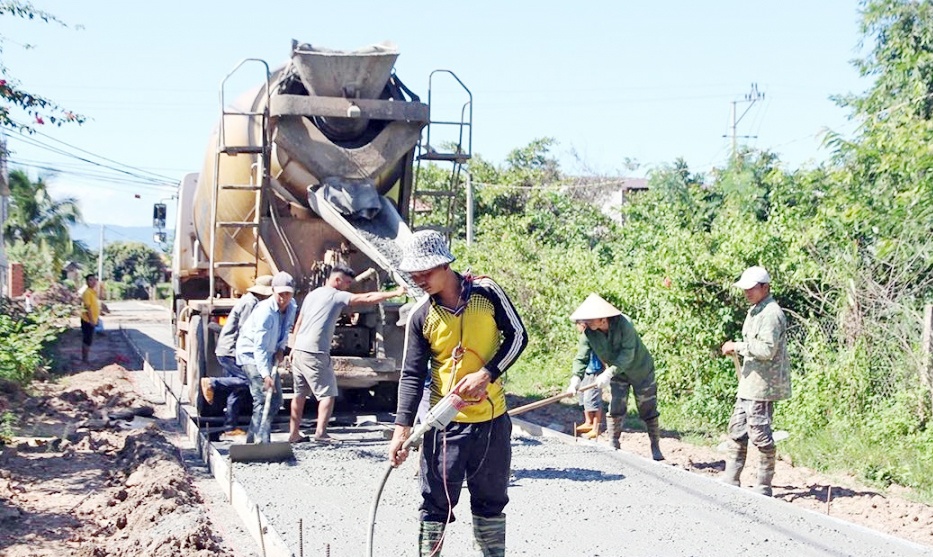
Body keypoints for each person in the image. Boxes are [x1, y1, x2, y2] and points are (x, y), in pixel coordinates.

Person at [388, 230, 528, 557]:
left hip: (492, 422)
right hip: (443, 426)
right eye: (414, 274)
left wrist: (487, 374)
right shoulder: (421, 315)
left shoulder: (487, 293)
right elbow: (411, 374)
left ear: (445, 264)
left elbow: (518, 336)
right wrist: (401, 429)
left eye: (426, 272)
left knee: (490, 503)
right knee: (434, 504)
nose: (419, 279)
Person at [288, 265, 406, 443]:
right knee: (328, 394)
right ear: (337, 280)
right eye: (347, 283)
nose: (348, 287)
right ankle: (321, 434)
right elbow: (365, 298)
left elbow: (299, 322)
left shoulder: (312, 295)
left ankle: (294, 433)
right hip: (316, 351)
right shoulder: (335, 295)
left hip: (299, 351)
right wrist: (395, 293)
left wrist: (293, 347)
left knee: (299, 394)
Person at [720, 266, 791, 497]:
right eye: (745, 288)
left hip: (762, 386)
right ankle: (731, 480)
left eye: (752, 288)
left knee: (760, 436)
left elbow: (767, 350)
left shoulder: (771, 313)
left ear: (765, 287)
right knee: (737, 430)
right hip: (750, 383)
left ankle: (763, 486)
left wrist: (738, 347)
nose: (747, 292)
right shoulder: (756, 311)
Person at [566, 293, 664, 461]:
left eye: (589, 320)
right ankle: (614, 443)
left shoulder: (624, 325)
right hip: (618, 374)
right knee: (616, 406)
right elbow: (581, 357)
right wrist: (575, 378)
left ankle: (655, 445)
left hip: (641, 371)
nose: (585, 324)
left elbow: (628, 354)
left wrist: (609, 373)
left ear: (602, 319)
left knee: (647, 408)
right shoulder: (589, 333)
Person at [200, 275, 273, 438]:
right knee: (249, 381)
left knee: (237, 390)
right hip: (232, 350)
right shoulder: (250, 303)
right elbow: (246, 330)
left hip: (230, 349)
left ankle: (230, 427)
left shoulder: (252, 301)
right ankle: (212, 382)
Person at [235, 271, 297, 444]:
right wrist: (265, 375)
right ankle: (261, 442)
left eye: (288, 294)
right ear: (273, 291)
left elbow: (286, 329)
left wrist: (281, 347)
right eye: (280, 294)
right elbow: (259, 346)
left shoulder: (292, 306)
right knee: (262, 398)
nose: (284, 298)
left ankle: (253, 438)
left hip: (269, 353)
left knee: (276, 400)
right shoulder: (265, 312)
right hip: (250, 353)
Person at [573, 321, 604, 439]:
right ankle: (588, 422)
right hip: (586, 370)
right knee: (583, 397)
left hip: (596, 370)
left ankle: (596, 428)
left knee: (593, 399)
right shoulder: (584, 337)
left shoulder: (594, 336)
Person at [79, 274, 100, 364]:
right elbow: (87, 308)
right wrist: (91, 320)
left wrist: (96, 319)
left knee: (89, 340)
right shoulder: (87, 293)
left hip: (92, 320)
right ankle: (85, 360)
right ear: (87, 282)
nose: (94, 282)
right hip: (87, 320)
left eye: (95, 280)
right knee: (87, 340)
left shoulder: (92, 292)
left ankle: (85, 359)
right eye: (91, 280)